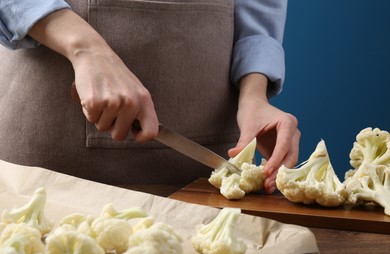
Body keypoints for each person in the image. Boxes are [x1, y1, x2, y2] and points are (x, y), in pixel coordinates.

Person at [0, 0, 299, 194]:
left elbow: (258, 10)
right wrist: (85, 48)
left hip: (201, 167)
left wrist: (254, 96)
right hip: (46, 141)